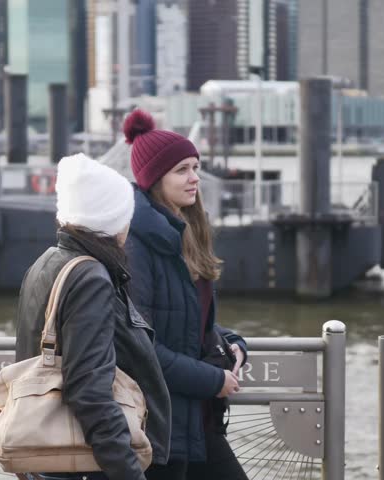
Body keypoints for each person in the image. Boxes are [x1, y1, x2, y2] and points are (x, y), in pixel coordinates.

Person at [14, 153, 172, 480]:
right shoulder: (92, 279)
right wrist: (129, 472)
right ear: (113, 221)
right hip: (85, 461)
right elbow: (89, 389)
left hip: (48, 451)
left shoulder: (48, 262)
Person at [123, 109, 250, 480]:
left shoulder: (184, 234)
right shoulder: (137, 244)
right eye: (182, 170)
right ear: (153, 180)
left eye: (195, 166)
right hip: (159, 422)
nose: (195, 178)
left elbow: (184, 320)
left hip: (194, 416)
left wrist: (230, 341)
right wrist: (213, 381)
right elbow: (139, 345)